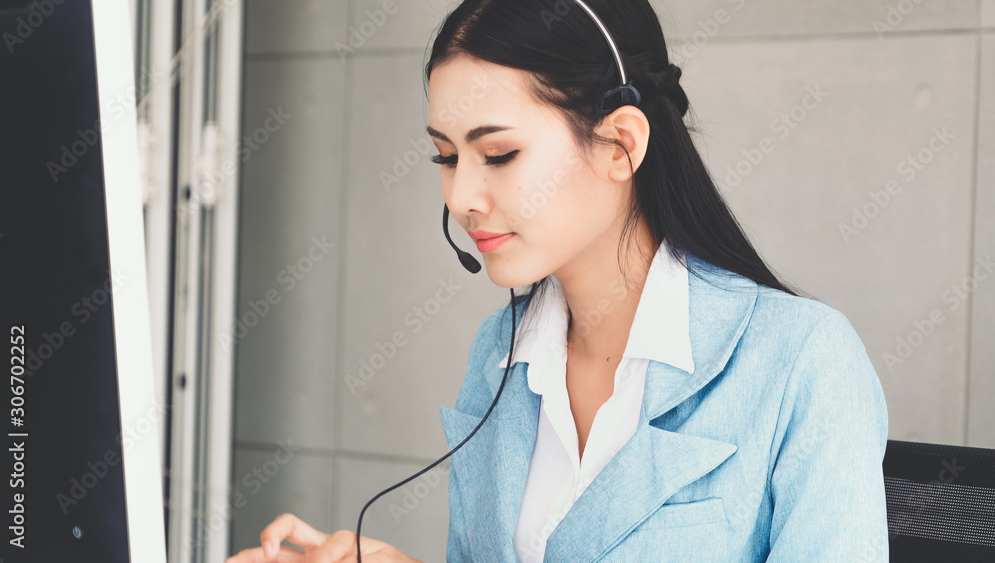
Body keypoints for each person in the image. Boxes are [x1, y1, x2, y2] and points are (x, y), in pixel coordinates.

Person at [228, 0, 889, 561]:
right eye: (446, 155)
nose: (461, 195)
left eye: (498, 154)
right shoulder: (500, 357)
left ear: (621, 144)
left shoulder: (803, 361)